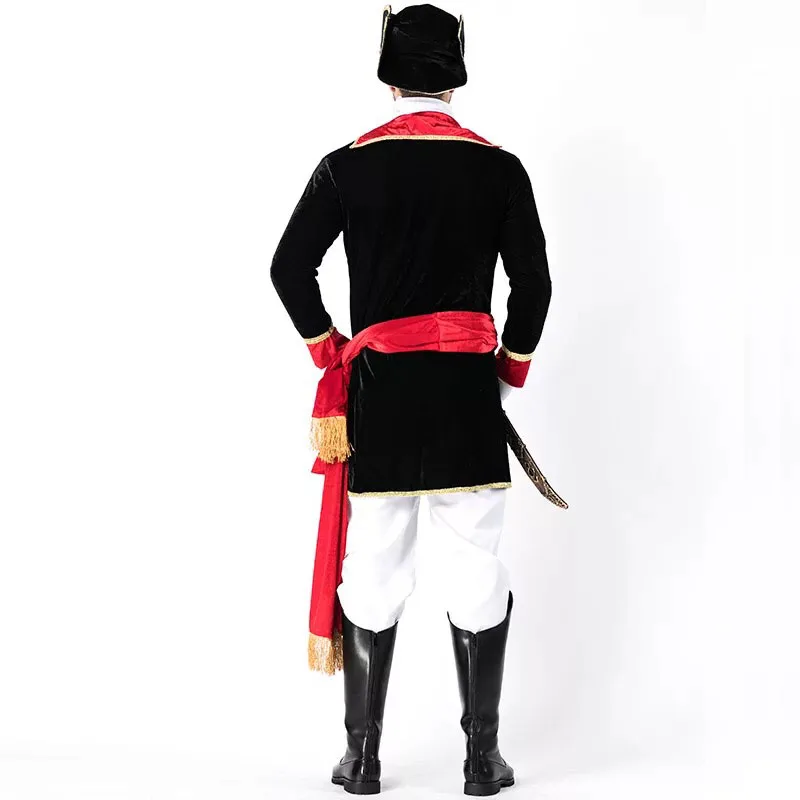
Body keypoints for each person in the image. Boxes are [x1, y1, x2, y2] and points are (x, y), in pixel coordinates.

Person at [270, 4, 551, 796]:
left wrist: (331, 351)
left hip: (381, 400)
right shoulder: (501, 169)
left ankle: (362, 760)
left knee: (373, 572)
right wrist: (506, 371)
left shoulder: (346, 166)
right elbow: (534, 286)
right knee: (476, 570)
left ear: (389, 78)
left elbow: (289, 269)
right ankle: (482, 762)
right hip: (466, 399)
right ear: (454, 80)